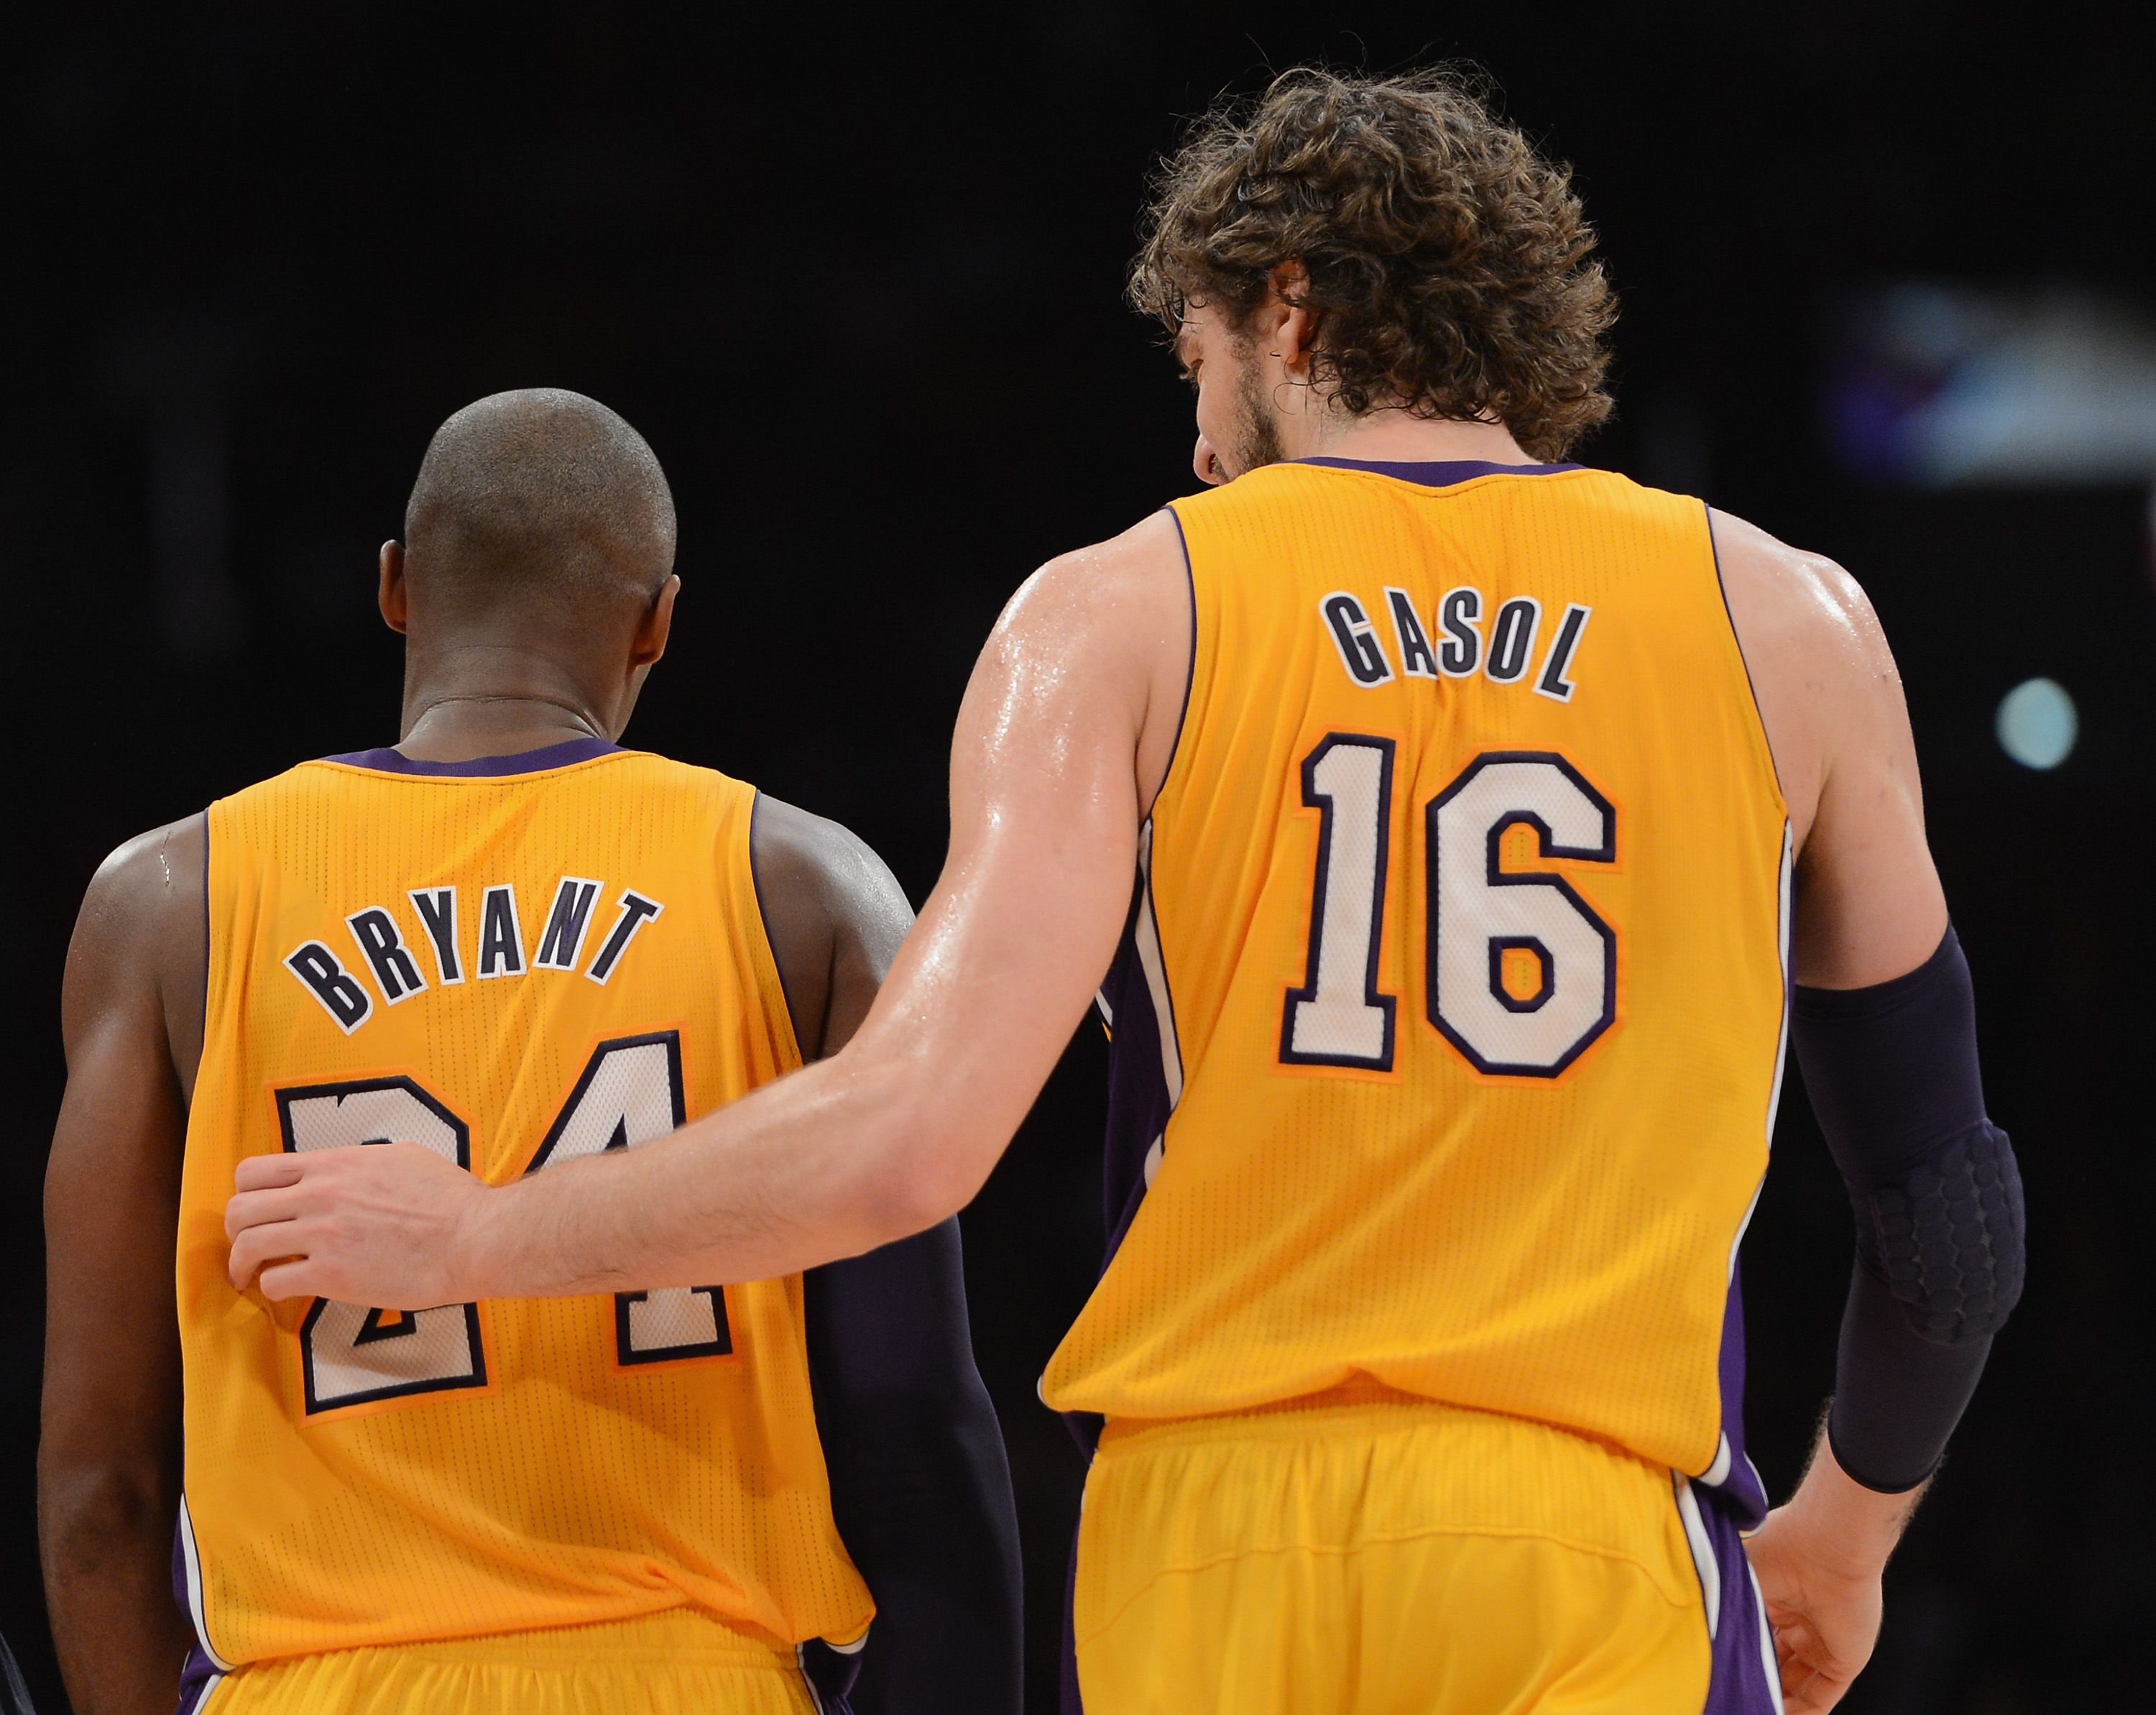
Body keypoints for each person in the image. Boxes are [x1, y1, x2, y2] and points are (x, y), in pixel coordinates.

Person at [226, 73, 2026, 1715]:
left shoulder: (1119, 612)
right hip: (1589, 1543)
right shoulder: (1788, 622)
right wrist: (1846, 1531)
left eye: (1199, 367)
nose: (1198, 443)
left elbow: (904, 1141)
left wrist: (478, 1233)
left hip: (1212, 1541)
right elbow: (1948, 1220)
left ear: (1294, 308)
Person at [44, 390, 1021, 1715]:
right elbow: (916, 1418)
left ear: (394, 588)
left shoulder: (167, 903)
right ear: (657, 621)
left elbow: (99, 1488)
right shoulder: (807, 883)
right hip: (691, 1679)